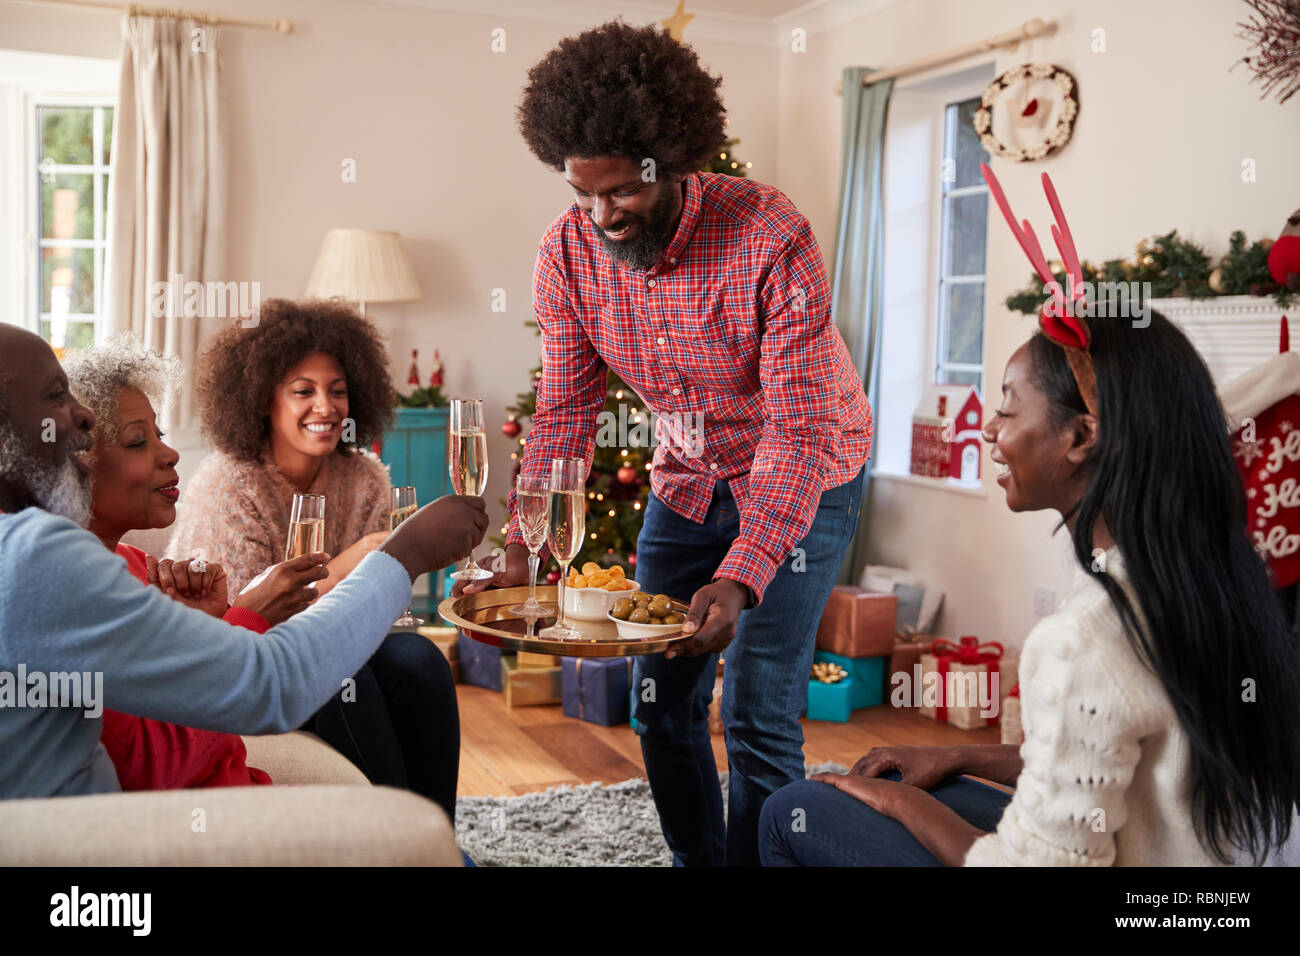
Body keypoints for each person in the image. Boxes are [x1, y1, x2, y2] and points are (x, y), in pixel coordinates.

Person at [465, 21, 872, 867]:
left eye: (621, 194)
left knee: (758, 712)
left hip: (806, 478)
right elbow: (566, 414)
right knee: (660, 701)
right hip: (686, 484)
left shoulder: (769, 234)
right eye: (584, 196)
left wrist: (745, 570)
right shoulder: (568, 254)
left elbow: (797, 432)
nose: (602, 216)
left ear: (675, 160)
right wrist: (526, 545)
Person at [758, 305, 1300, 864]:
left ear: (1082, 435)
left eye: (1007, 410)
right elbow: (1106, 752)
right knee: (933, 786)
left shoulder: (1088, 638)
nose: (990, 429)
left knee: (794, 810)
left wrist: (897, 805)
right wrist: (957, 757)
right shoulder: (1218, 572)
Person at [0, 323, 488, 800]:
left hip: (230, 784)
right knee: (351, 680)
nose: (81, 417)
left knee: (414, 660)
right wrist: (405, 554)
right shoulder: (40, 558)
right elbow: (259, 688)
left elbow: (175, 701)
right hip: (189, 824)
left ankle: (428, 839)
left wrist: (206, 626)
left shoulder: (116, 561)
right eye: (54, 396)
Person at [165, 299, 461, 820]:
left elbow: (381, 612)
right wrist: (353, 563)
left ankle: (438, 836)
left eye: (338, 390)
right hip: (249, 666)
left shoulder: (365, 477)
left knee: (421, 661)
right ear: (262, 400)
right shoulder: (227, 486)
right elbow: (236, 627)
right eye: (303, 391)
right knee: (342, 676)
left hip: (340, 644)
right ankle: (394, 839)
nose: (325, 407)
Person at [65, 337, 327, 789]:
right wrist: (247, 618)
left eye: (160, 435)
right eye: (137, 441)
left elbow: (175, 695)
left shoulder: (132, 564)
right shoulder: (69, 597)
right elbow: (152, 767)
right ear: (75, 466)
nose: (170, 454)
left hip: (244, 794)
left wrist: (207, 626)